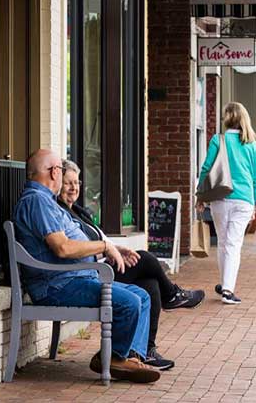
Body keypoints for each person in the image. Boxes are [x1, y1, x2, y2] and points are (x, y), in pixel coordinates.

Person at [12, 149, 159, 383]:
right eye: (61, 170)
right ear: (54, 172)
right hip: (58, 285)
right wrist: (104, 246)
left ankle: (125, 358)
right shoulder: (37, 201)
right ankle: (115, 358)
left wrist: (113, 249)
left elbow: (71, 244)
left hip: (75, 278)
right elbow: (62, 248)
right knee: (129, 302)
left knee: (142, 296)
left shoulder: (46, 201)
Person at [57, 159, 205, 371]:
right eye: (67, 183)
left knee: (150, 283)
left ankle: (145, 351)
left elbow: (101, 241)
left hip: (103, 265)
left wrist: (115, 249)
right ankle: (172, 295)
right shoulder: (60, 214)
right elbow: (77, 248)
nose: (73, 188)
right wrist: (107, 251)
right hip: (94, 273)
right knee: (145, 258)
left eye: (76, 182)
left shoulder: (80, 212)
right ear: (58, 185)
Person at [197, 102, 256, 305]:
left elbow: (206, 168)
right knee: (233, 244)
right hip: (244, 199)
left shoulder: (219, 140)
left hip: (220, 197)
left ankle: (226, 284)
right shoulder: (252, 144)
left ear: (226, 118)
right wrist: (255, 203)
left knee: (224, 243)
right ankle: (227, 289)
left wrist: (200, 195)